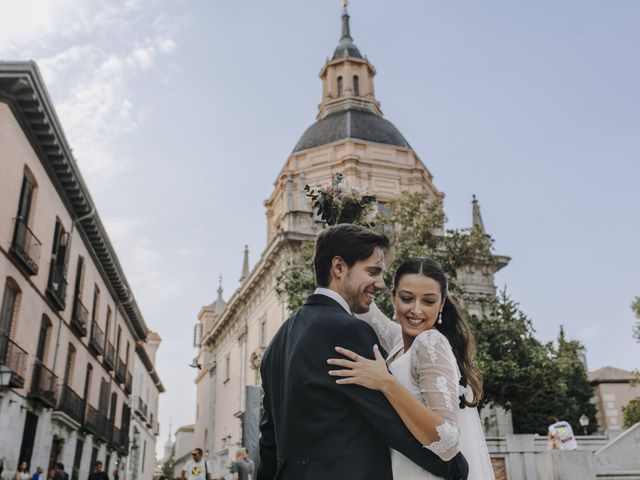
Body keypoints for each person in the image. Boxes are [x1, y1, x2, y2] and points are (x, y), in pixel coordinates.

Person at [257, 224, 468, 480]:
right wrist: (455, 467)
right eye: (372, 271)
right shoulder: (347, 330)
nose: (380, 284)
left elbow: (268, 439)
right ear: (338, 267)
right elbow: (389, 423)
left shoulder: (277, 342)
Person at [329, 257, 495, 479]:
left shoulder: (430, 343)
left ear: (441, 303)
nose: (416, 310)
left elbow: (448, 442)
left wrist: (386, 383)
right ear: (393, 298)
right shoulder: (402, 341)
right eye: (407, 298)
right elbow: (367, 312)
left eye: (428, 301)